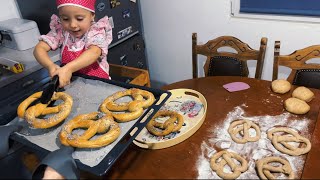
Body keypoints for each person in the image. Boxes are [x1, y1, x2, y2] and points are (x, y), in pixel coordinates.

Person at [34, 0, 113, 88]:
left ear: (92, 16)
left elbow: (94, 52)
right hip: (72, 84)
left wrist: (68, 68)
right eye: (65, 19)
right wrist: (50, 65)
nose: (72, 25)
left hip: (98, 84)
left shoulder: (96, 31)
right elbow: (39, 49)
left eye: (79, 19)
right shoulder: (61, 32)